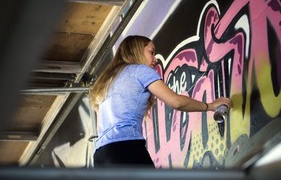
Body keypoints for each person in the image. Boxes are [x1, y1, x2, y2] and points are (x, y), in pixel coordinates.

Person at [89, 35, 231, 168]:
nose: (155, 58)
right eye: (151, 52)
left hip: (101, 156)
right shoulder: (140, 70)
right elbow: (176, 102)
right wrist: (210, 106)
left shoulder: (108, 81)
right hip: (124, 149)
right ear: (137, 51)